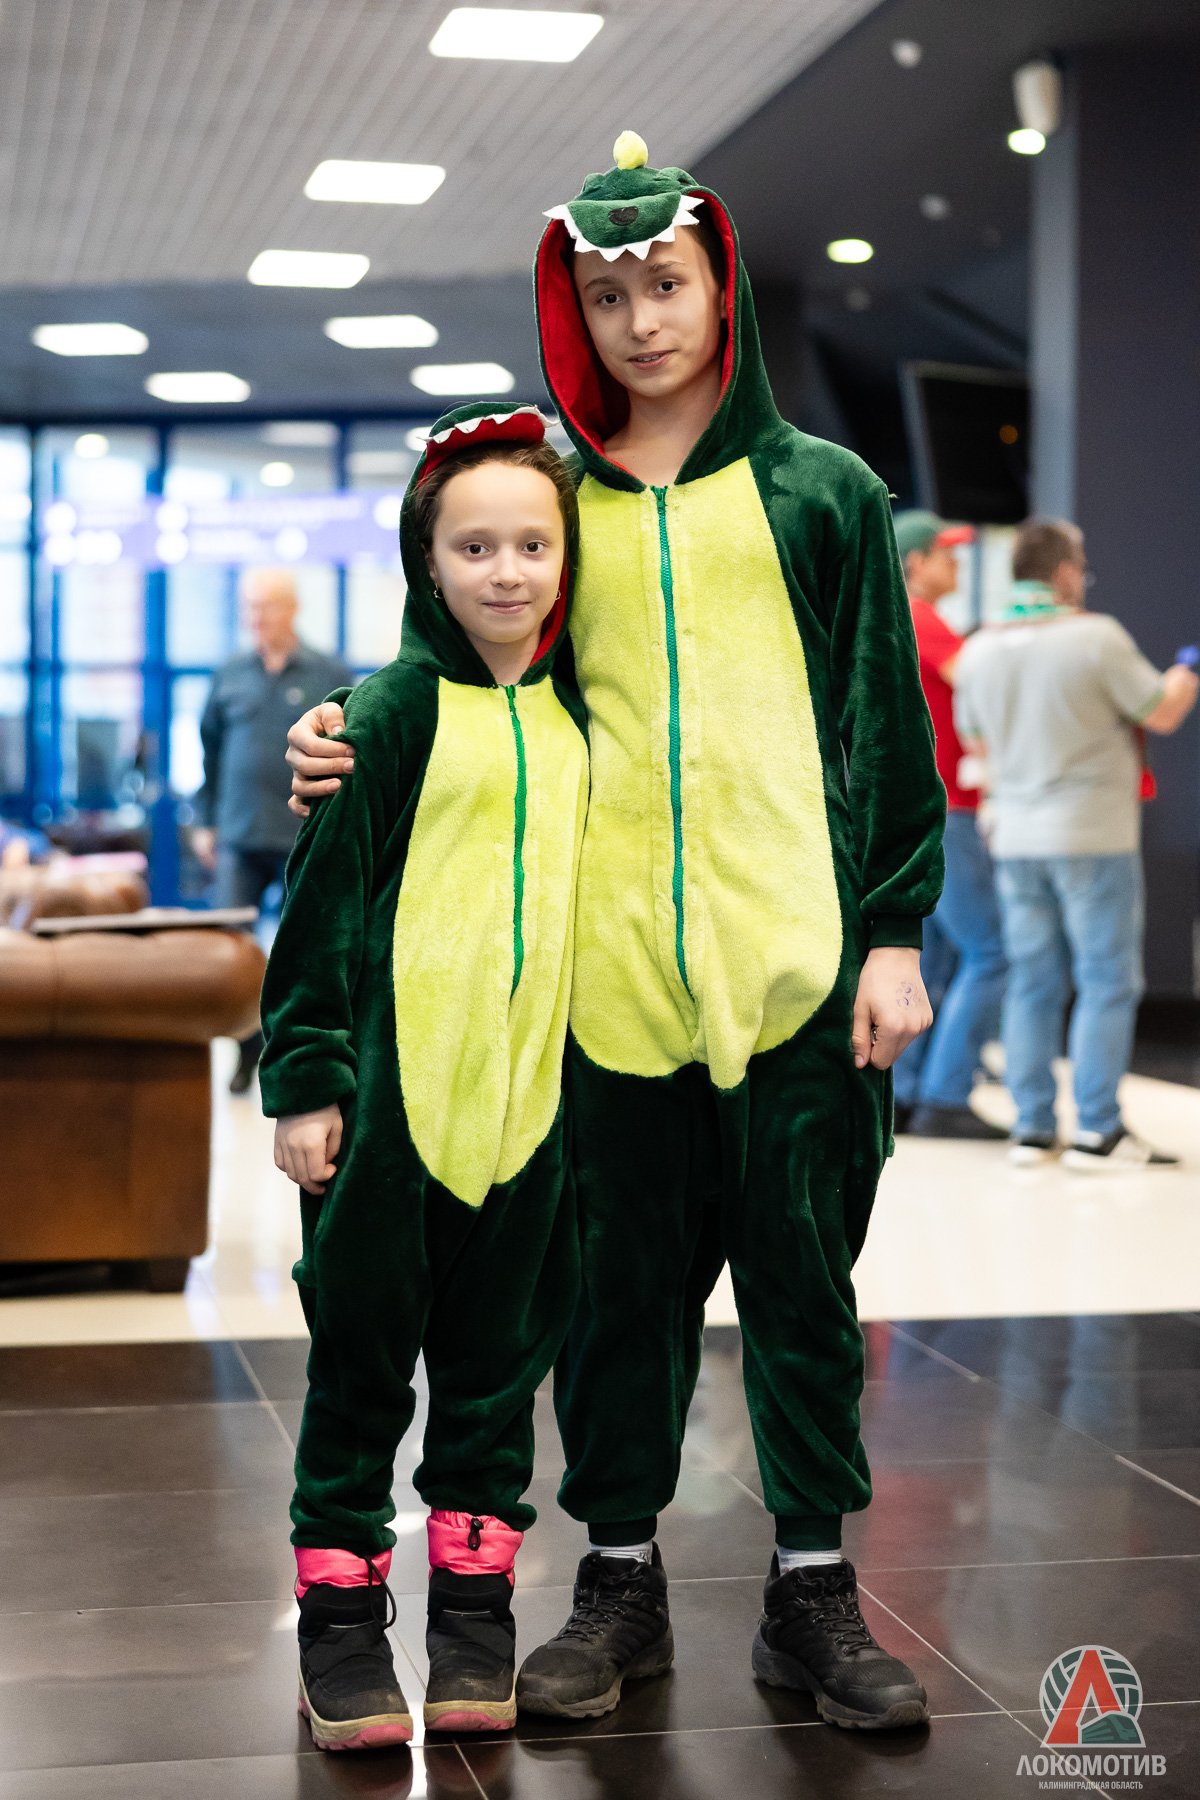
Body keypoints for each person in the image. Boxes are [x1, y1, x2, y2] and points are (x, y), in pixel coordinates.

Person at [285, 133, 944, 1733]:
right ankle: (619, 1582)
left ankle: (811, 1590)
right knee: (613, 1303)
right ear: (571, 310)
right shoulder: (559, 506)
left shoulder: (824, 493)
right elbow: (468, 667)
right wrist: (343, 731)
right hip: (603, 984)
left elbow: (886, 722)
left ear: (724, 288)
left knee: (805, 1289)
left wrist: (894, 933)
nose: (643, 320)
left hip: (796, 968)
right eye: (608, 295)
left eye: (668, 284)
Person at [258, 403, 589, 1749]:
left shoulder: (589, 714)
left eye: (533, 545)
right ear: (427, 560)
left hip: (534, 1119)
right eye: (474, 546)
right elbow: (320, 912)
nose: (507, 571)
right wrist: (305, 1082)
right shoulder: (383, 715)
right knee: (357, 1374)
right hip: (388, 1120)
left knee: (497, 1383)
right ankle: (340, 1632)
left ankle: (472, 1623)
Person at [954, 517, 1198, 1169]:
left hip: (1014, 836)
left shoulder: (979, 648)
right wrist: (1186, 672)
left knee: (1031, 981)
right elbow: (1162, 710)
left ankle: (1032, 1128)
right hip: (1092, 834)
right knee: (1106, 979)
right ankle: (1098, 1129)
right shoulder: (1095, 637)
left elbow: (976, 743)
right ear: (1065, 572)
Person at [194, 567, 352, 1093]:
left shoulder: (327, 672)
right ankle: (245, 1055)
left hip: (301, 837)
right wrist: (205, 821)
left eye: (267, 605)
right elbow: (210, 752)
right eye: (250, 606)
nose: (257, 617)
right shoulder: (229, 674)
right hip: (238, 835)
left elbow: (348, 752)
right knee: (233, 952)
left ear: (292, 608)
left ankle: (293, 1055)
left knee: (297, 953)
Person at [890, 511, 1007, 1139]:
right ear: (915, 564)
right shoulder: (921, 618)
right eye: (946, 554)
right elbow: (984, 684)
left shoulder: (899, 618)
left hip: (925, 807)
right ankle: (946, 1094)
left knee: (933, 957)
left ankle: (907, 1092)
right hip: (948, 810)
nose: (956, 563)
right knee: (992, 952)